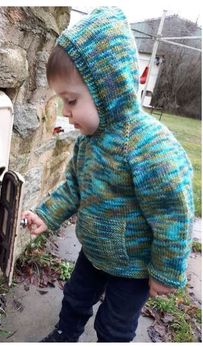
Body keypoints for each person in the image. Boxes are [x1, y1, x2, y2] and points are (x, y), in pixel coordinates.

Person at [22, 7, 194, 342]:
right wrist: (46, 214)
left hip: (133, 267)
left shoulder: (149, 147)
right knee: (74, 299)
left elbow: (173, 214)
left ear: (108, 89)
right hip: (95, 251)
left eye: (71, 100)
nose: (66, 112)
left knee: (114, 326)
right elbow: (74, 186)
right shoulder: (89, 143)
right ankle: (64, 334)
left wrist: (165, 271)